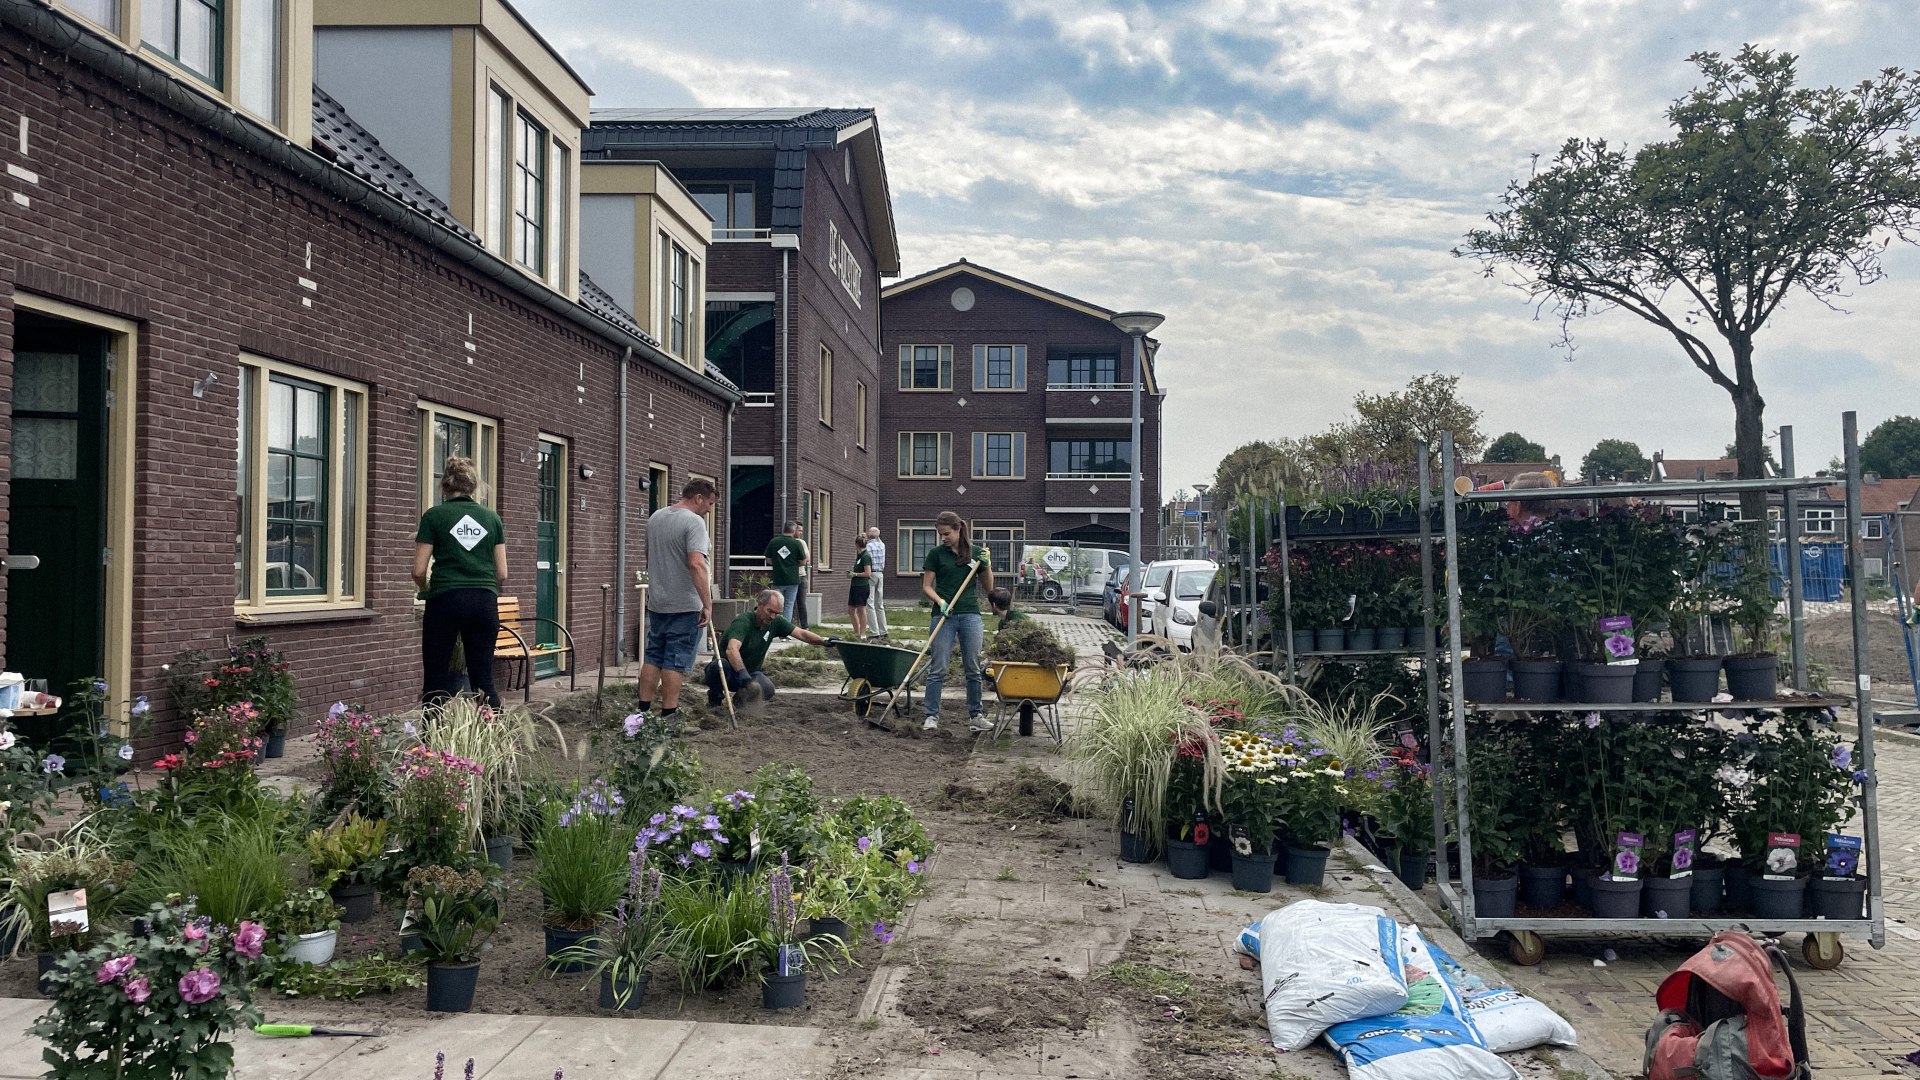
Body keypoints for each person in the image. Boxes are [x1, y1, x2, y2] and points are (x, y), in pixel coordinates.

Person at [413, 457, 507, 708]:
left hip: (445, 601)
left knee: (435, 680)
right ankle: (492, 740)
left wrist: (425, 589)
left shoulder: (434, 516)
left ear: (444, 485)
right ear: (474, 487)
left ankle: (432, 745)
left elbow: (419, 570)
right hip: (483, 603)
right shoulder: (491, 518)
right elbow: (502, 572)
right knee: (484, 682)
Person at [637, 478, 717, 720]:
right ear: (698, 498)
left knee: (653, 657)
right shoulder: (694, 523)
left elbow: (649, 555)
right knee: (675, 659)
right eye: (710, 503)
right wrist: (707, 603)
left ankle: (642, 714)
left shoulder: (656, 518)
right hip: (684, 604)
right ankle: (669, 717)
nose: (710, 509)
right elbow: (696, 564)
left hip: (659, 601)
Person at [920, 510, 994, 732]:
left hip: (970, 614)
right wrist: (941, 602)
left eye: (946, 534)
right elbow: (926, 587)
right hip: (944, 616)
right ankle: (931, 716)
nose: (943, 538)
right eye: (940, 534)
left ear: (958, 530)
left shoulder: (976, 553)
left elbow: (989, 588)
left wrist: (986, 565)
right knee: (938, 668)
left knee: (972, 667)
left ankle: (976, 716)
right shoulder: (936, 554)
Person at [706, 588, 833, 708]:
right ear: (760, 604)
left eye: (777, 613)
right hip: (728, 672)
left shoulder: (776, 622)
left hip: (751, 674)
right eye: (770, 611)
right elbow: (731, 649)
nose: (772, 616)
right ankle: (715, 701)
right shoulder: (743, 622)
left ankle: (740, 702)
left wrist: (824, 641)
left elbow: (801, 634)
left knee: (767, 688)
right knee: (718, 665)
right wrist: (741, 672)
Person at [764, 522, 807, 622]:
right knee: (789, 604)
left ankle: (773, 626)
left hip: (778, 578)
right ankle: (785, 629)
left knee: (774, 603)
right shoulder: (797, 543)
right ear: (793, 530)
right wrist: (794, 565)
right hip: (793, 579)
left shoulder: (774, 542)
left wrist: (777, 564)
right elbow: (803, 561)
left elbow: (768, 559)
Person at [847, 534, 873, 639]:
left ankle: (862, 634)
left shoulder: (866, 556)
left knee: (861, 609)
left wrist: (855, 574)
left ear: (856, 544)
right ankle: (856, 633)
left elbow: (868, 573)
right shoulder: (859, 556)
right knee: (850, 609)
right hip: (854, 585)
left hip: (862, 586)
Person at [865, 527, 889, 638]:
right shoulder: (882, 546)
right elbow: (878, 540)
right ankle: (884, 631)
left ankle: (875, 632)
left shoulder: (868, 547)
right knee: (879, 604)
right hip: (880, 574)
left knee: (870, 604)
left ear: (868, 536)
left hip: (871, 574)